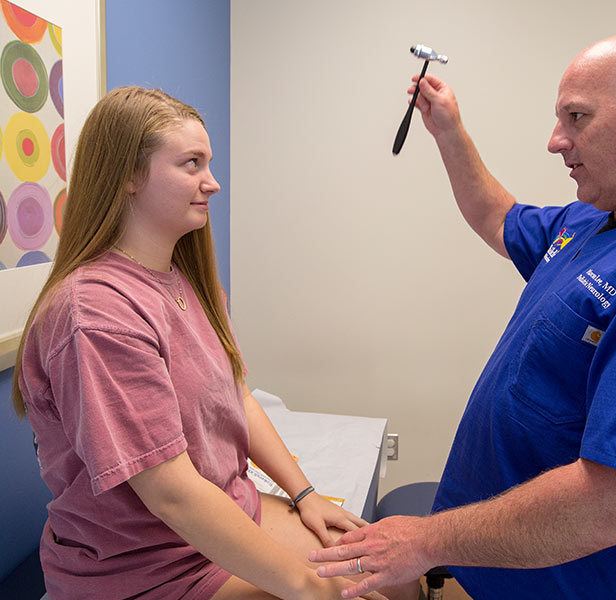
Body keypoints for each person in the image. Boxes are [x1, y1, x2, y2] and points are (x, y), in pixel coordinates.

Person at [309, 28, 616, 599]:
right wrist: (447, 128)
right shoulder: (599, 220)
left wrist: (427, 540)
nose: (555, 140)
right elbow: (499, 216)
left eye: (577, 117)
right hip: (520, 576)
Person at [12, 87, 418, 600]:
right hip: (145, 564)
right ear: (130, 176)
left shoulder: (189, 283)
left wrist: (305, 493)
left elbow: (238, 396)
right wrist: (307, 588)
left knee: (397, 576)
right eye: (192, 164)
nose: (213, 182)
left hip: (222, 516)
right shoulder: (97, 314)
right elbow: (172, 496)